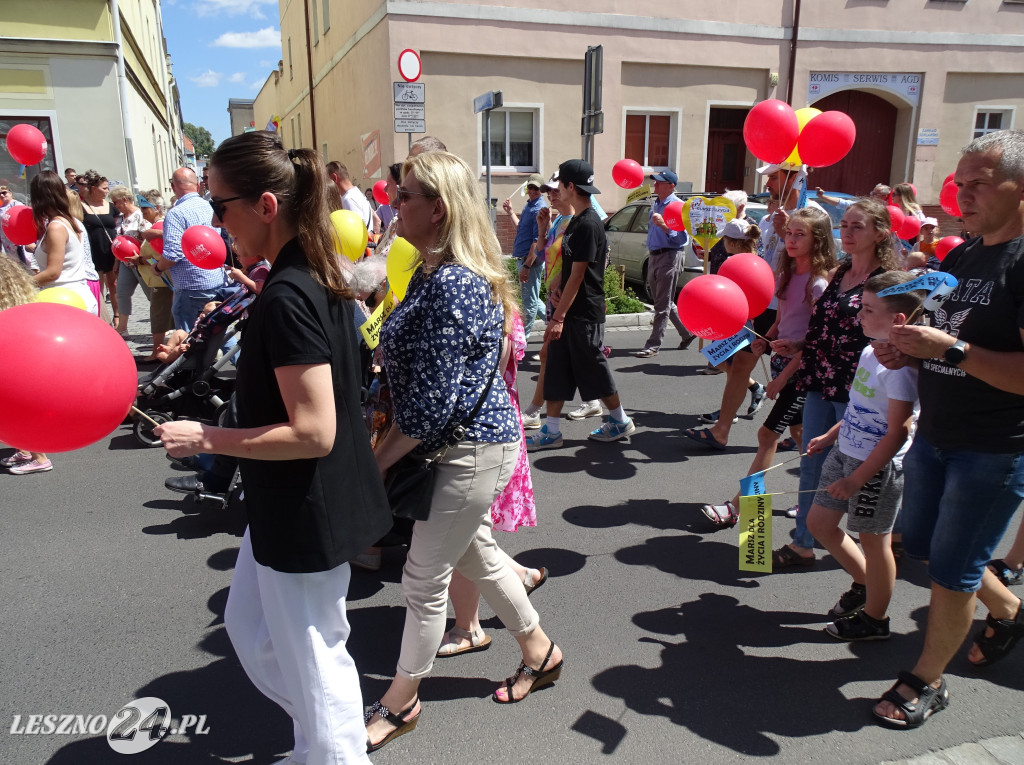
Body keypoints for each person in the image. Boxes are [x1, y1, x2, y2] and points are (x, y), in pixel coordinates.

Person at [155, 131, 393, 764]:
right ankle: (320, 745)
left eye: (220, 206)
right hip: (292, 503)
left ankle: (335, 754)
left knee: (316, 661)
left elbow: (315, 430)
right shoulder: (305, 277)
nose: (212, 221)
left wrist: (206, 436)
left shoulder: (291, 292)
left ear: (265, 205)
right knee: (254, 630)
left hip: (303, 506)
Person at [367, 150, 563, 752]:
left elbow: (428, 411)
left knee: (423, 581)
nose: (393, 205)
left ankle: (400, 704)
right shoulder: (433, 272)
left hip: (467, 449)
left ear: (439, 209)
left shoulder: (453, 283)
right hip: (464, 447)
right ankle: (540, 649)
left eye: (405, 196)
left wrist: (368, 467)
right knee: (475, 552)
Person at [871, 129, 1024, 729]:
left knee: (954, 569)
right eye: (960, 183)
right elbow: (938, 336)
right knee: (933, 547)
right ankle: (1007, 607)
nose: (964, 195)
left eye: (980, 183)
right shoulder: (962, 254)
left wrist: (951, 349)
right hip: (935, 434)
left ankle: (927, 681)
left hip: (991, 449)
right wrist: (906, 352)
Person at [773, 198, 901, 567]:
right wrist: (797, 345)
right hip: (820, 381)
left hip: (860, 389)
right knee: (813, 459)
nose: (846, 232)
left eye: (856, 226)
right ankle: (804, 542)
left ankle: (883, 547)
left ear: (880, 233)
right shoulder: (840, 271)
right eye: (843, 225)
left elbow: (893, 335)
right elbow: (824, 327)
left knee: (861, 469)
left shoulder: (887, 282)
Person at [701, 207, 835, 526]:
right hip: (779, 361)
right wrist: (767, 339)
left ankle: (737, 508)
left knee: (766, 435)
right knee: (801, 432)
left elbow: (815, 340)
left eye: (799, 234)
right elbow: (782, 316)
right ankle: (816, 500)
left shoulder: (817, 284)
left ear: (817, 240)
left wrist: (782, 379)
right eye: (789, 233)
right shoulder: (788, 271)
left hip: (802, 372)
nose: (790, 239)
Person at [807, 271, 923, 641]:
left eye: (868, 309)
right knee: (820, 525)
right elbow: (859, 409)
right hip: (844, 453)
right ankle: (864, 583)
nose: (859, 316)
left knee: (875, 544)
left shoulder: (901, 371)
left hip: (874, 468)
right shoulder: (870, 351)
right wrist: (831, 434)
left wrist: (857, 479)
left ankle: (875, 619)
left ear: (898, 320)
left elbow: (897, 432)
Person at [436, 309, 548, 657]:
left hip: (477, 432)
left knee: (466, 537)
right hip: (494, 425)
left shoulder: (473, 305)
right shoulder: (498, 303)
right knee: (469, 535)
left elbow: (479, 379)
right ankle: (519, 583)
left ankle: (471, 628)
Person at [526, 159, 635, 450]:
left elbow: (579, 275)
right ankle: (551, 430)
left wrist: (557, 318)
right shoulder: (575, 220)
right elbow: (569, 268)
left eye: (559, 185)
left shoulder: (589, 224)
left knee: (593, 368)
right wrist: (553, 286)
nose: (556, 190)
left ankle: (620, 419)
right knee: (557, 366)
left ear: (570, 187)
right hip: (569, 309)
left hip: (584, 312)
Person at [683, 218, 768, 450]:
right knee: (721, 360)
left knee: (737, 367)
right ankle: (749, 393)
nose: (721, 242)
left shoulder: (743, 264)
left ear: (732, 241)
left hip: (749, 325)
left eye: (724, 239)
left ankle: (726, 419)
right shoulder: (736, 261)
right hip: (737, 324)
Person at [520, 173, 574, 430]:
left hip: (568, 301)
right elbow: (542, 252)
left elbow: (581, 264)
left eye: (554, 191)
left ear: (568, 190)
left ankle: (535, 413)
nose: (551, 196)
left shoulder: (576, 222)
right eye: (548, 192)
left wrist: (561, 284)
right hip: (555, 299)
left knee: (547, 355)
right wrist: (543, 229)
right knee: (579, 360)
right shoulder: (559, 220)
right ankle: (610, 409)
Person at [634, 169, 695, 358]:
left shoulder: (678, 206)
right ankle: (687, 333)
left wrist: (664, 226)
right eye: (655, 182)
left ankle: (653, 345)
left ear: (671, 186)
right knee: (663, 300)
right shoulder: (657, 204)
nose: (655, 185)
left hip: (670, 256)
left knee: (661, 304)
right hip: (654, 255)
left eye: (659, 182)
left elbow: (681, 239)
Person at [152, 167, 221, 331]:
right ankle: (236, 357)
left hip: (190, 284)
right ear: (197, 185)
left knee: (186, 337)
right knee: (217, 331)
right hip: (214, 278)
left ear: (174, 187)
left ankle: (194, 358)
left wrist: (157, 267)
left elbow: (173, 254)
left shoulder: (176, 213)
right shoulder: (209, 207)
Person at [504, 173, 547, 340]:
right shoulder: (530, 205)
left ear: (542, 190)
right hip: (524, 260)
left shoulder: (538, 208)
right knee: (534, 300)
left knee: (529, 305)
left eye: (536, 188)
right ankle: (557, 324)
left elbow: (536, 241)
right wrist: (510, 212)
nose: (533, 191)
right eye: (530, 187)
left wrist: (527, 267)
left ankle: (522, 341)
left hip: (531, 263)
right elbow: (521, 229)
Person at [77, 170, 119, 323]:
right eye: (104, 188)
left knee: (114, 285)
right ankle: (101, 318)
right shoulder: (81, 206)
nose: (107, 191)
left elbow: (118, 228)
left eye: (107, 188)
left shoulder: (111, 206)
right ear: (93, 188)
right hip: (93, 250)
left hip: (111, 249)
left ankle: (117, 316)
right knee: (97, 286)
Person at [110, 186, 152, 339]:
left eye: (115, 202)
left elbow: (147, 237)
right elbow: (119, 241)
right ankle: (122, 328)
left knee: (151, 295)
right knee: (122, 292)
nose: (115, 205)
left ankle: (166, 324)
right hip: (125, 262)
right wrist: (116, 262)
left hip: (141, 261)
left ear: (124, 200)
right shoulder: (121, 217)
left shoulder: (141, 215)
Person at [327, 161, 378, 233]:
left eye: (327, 180)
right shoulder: (357, 193)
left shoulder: (348, 199)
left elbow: (356, 230)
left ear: (334, 178)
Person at [1, 184, 30, 266]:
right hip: (5, 240)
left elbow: (25, 219)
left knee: (21, 262)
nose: (2, 195)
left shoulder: (17, 204)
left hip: (17, 240)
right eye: (0, 194)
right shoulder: (1, 207)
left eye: (4, 193)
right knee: (11, 263)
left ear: (10, 193)